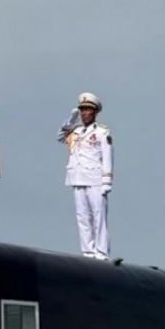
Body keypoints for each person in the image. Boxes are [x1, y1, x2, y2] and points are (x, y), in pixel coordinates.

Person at [57, 92, 113, 260]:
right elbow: (60, 137)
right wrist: (71, 119)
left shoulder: (102, 132)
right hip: (77, 178)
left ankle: (101, 252)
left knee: (98, 215)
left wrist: (107, 181)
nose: (84, 113)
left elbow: (107, 156)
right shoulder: (76, 131)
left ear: (95, 112)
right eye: (82, 110)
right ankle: (88, 251)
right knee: (82, 216)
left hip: (95, 179)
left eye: (88, 110)